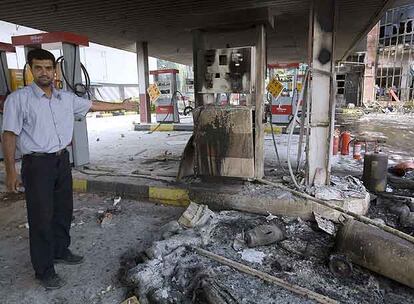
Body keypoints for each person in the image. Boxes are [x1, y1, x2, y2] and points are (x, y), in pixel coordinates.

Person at [1, 48, 137, 290]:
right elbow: (9, 134)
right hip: (37, 164)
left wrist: (123, 104)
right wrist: (11, 171)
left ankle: (60, 250)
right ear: (31, 70)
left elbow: (93, 104)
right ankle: (44, 270)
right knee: (41, 217)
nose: (44, 72)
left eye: (48, 68)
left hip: (62, 160)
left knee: (63, 209)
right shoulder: (19, 99)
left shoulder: (65, 98)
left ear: (55, 71)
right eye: (39, 68)